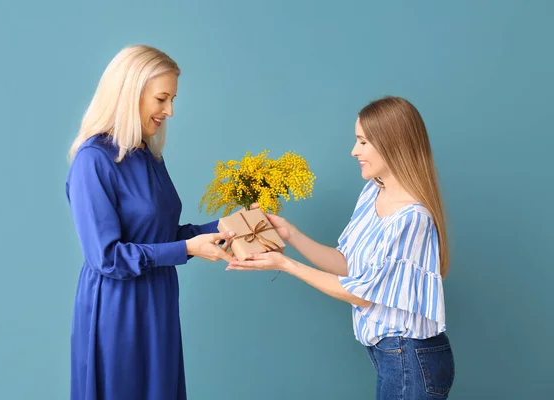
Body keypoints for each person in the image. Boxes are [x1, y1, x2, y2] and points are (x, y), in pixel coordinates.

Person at [227, 96, 455, 399]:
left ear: (392, 143)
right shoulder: (373, 191)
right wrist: (290, 234)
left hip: (411, 359)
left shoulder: (413, 219)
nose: (354, 151)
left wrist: (286, 265)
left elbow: (359, 293)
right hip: (394, 357)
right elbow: (348, 265)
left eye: (362, 141)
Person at [65, 44, 236, 400]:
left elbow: (161, 236)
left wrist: (223, 227)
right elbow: (107, 257)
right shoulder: (93, 160)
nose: (169, 111)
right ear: (130, 93)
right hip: (118, 309)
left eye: (172, 99)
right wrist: (188, 248)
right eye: (162, 99)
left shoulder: (148, 155)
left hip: (158, 301)